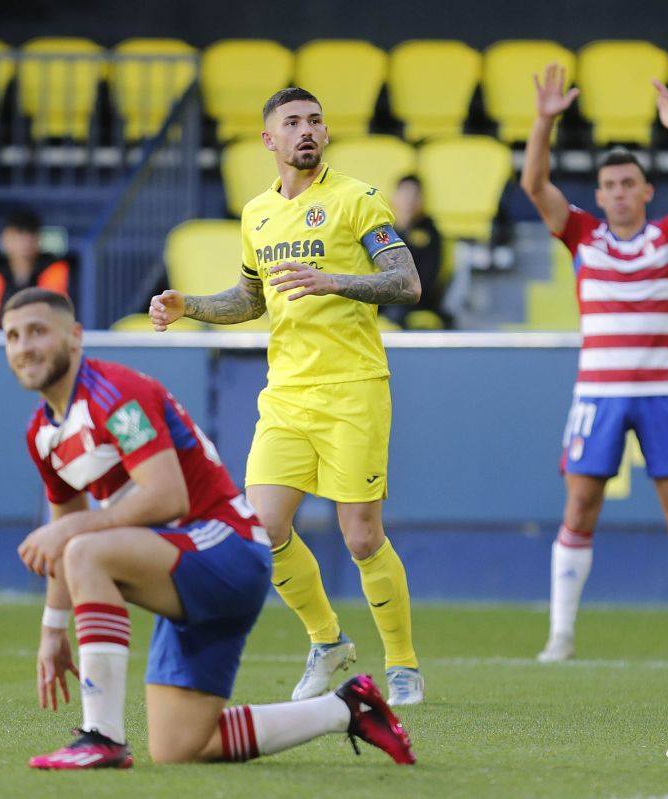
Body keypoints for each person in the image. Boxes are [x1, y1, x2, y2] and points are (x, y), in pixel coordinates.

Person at [4, 287, 415, 769]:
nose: (25, 347)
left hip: (227, 548)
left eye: (37, 331)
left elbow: (166, 498)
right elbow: (64, 528)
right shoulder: (41, 432)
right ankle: (346, 709)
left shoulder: (114, 394)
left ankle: (102, 736)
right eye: (12, 337)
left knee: (85, 551)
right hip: (183, 566)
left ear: (75, 336)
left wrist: (73, 530)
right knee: (181, 747)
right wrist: (53, 630)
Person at [150, 87, 425, 706]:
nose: (306, 130)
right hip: (286, 395)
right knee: (263, 527)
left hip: (353, 388)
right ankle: (327, 642)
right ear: (268, 140)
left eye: (315, 121)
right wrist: (190, 305)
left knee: (361, 537)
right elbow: (251, 299)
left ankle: (403, 665)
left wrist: (334, 281)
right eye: (292, 122)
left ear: (325, 134)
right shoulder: (257, 214)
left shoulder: (356, 199)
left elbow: (406, 282)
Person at [520, 65, 668, 664]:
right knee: (580, 507)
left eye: (628, 183)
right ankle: (560, 636)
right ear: (600, 194)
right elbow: (534, 185)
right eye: (608, 184)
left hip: (663, 394)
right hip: (597, 396)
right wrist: (543, 122)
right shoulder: (583, 236)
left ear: (646, 192)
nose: (617, 192)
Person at [0, 210, 70, 330]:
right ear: (4, 239)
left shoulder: (57, 273)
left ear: (38, 239)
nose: (23, 243)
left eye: (29, 235)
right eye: (17, 236)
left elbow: (63, 324)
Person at [381, 174, 448, 328]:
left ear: (422, 200)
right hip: (384, 298)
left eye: (414, 195)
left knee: (396, 312)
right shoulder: (383, 230)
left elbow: (429, 277)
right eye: (405, 194)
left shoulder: (431, 232)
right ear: (394, 197)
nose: (409, 201)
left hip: (418, 300)